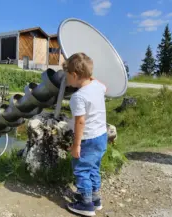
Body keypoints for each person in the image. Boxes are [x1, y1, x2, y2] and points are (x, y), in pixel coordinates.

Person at [64, 53, 107, 216]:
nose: (66, 79)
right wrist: (89, 75)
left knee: (81, 169)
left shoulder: (78, 97)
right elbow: (104, 86)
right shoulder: (98, 86)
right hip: (101, 136)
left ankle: (85, 203)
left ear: (74, 75)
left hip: (88, 139)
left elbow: (80, 122)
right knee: (94, 167)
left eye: (67, 76)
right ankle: (95, 199)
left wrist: (76, 145)